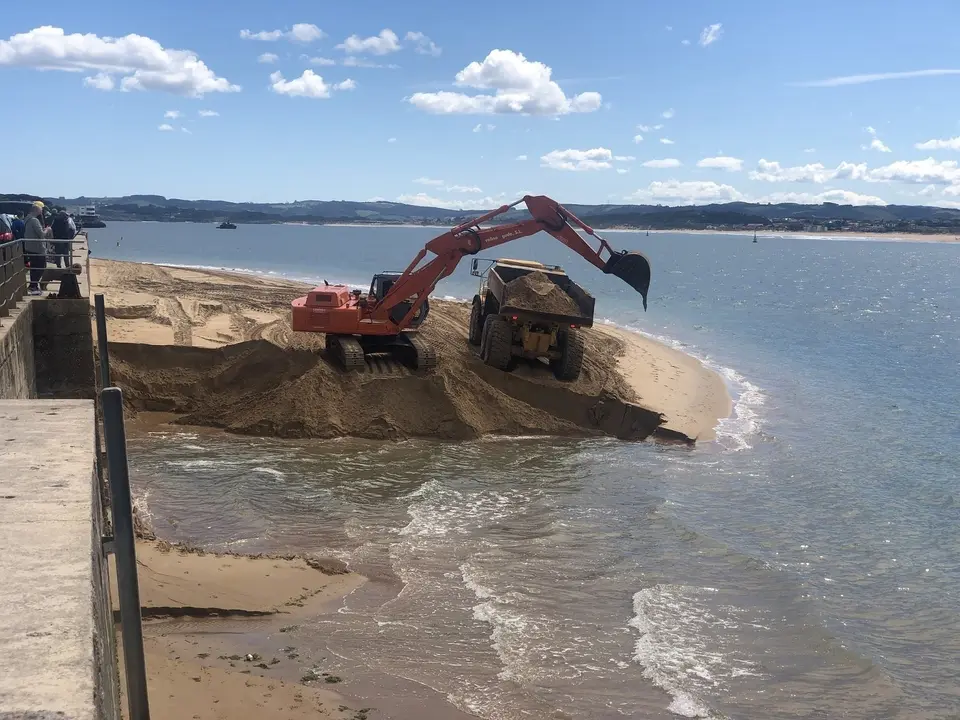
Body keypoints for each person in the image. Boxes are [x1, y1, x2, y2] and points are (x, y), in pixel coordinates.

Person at [23, 203, 50, 295]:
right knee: (41, 267)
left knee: (34, 267)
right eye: (41, 210)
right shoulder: (34, 220)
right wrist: (47, 229)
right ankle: (33, 285)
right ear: (37, 210)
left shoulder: (27, 219)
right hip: (37, 248)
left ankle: (33, 285)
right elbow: (42, 235)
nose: (42, 211)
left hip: (29, 247)